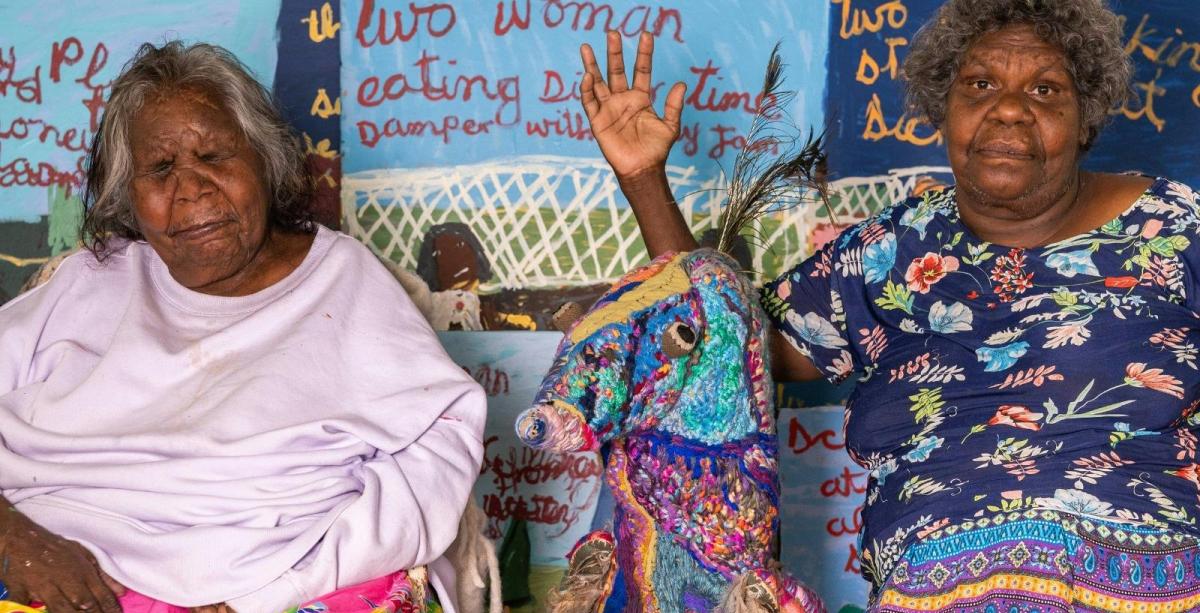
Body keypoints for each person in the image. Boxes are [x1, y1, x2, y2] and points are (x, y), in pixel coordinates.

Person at [577, 0, 1200, 610]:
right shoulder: (892, 249)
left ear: (1085, 117)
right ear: (943, 108)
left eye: (1045, 91)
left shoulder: (1174, 226)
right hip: (931, 587)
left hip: (1147, 579)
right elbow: (724, 354)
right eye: (980, 84)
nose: (1008, 109)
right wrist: (643, 179)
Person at [0, 42, 485, 613]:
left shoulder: (344, 283)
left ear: (265, 160)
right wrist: (15, 540)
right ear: (127, 196)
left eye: (213, 156)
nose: (191, 188)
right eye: (159, 169)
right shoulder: (89, 280)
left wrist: (268, 596)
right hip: (54, 566)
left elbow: (431, 467)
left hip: (276, 579)